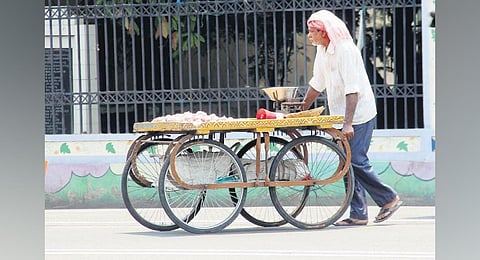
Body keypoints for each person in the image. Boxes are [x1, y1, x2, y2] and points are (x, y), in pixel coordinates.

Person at [302, 9, 403, 226]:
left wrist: (348, 123)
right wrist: (301, 110)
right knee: (346, 163)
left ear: (324, 32)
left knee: (356, 160)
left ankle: (389, 198)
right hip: (340, 115)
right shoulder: (322, 49)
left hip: (360, 114)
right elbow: (317, 83)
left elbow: (352, 89)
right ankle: (358, 214)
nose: (309, 35)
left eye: (312, 31)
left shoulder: (345, 50)